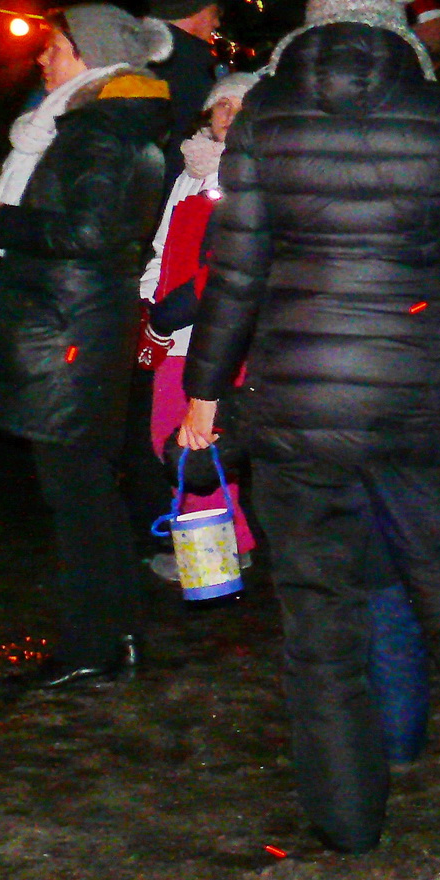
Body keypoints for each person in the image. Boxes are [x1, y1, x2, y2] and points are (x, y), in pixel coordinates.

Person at [178, 0, 440, 854]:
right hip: (411, 396)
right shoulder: (438, 113)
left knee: (318, 617)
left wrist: (204, 392)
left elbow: (233, 272)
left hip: (298, 403)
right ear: (396, 21)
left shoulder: (265, 114)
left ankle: (347, 819)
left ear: (312, 20)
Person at [0, 6, 171, 689]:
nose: (42, 59)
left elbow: (92, 231)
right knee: (86, 489)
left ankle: (91, 645)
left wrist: (3, 221)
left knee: (76, 491)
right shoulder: (108, 124)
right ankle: (116, 636)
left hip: (72, 326)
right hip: (78, 321)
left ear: (88, 54)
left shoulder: (98, 129)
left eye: (53, 47)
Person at [140, 69, 263, 576]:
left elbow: (230, 267)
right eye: (222, 105)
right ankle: (229, 543)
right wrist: (149, 302)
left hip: (216, 333)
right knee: (175, 439)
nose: (229, 115)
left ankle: (211, 560)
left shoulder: (252, 175)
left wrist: (174, 310)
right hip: (174, 333)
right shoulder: (189, 172)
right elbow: (163, 246)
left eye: (241, 106)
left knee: (194, 442)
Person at [146, 0, 224, 178]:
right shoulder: (189, 69)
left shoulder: (139, 58)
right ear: (194, 10)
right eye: (213, 12)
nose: (217, 23)